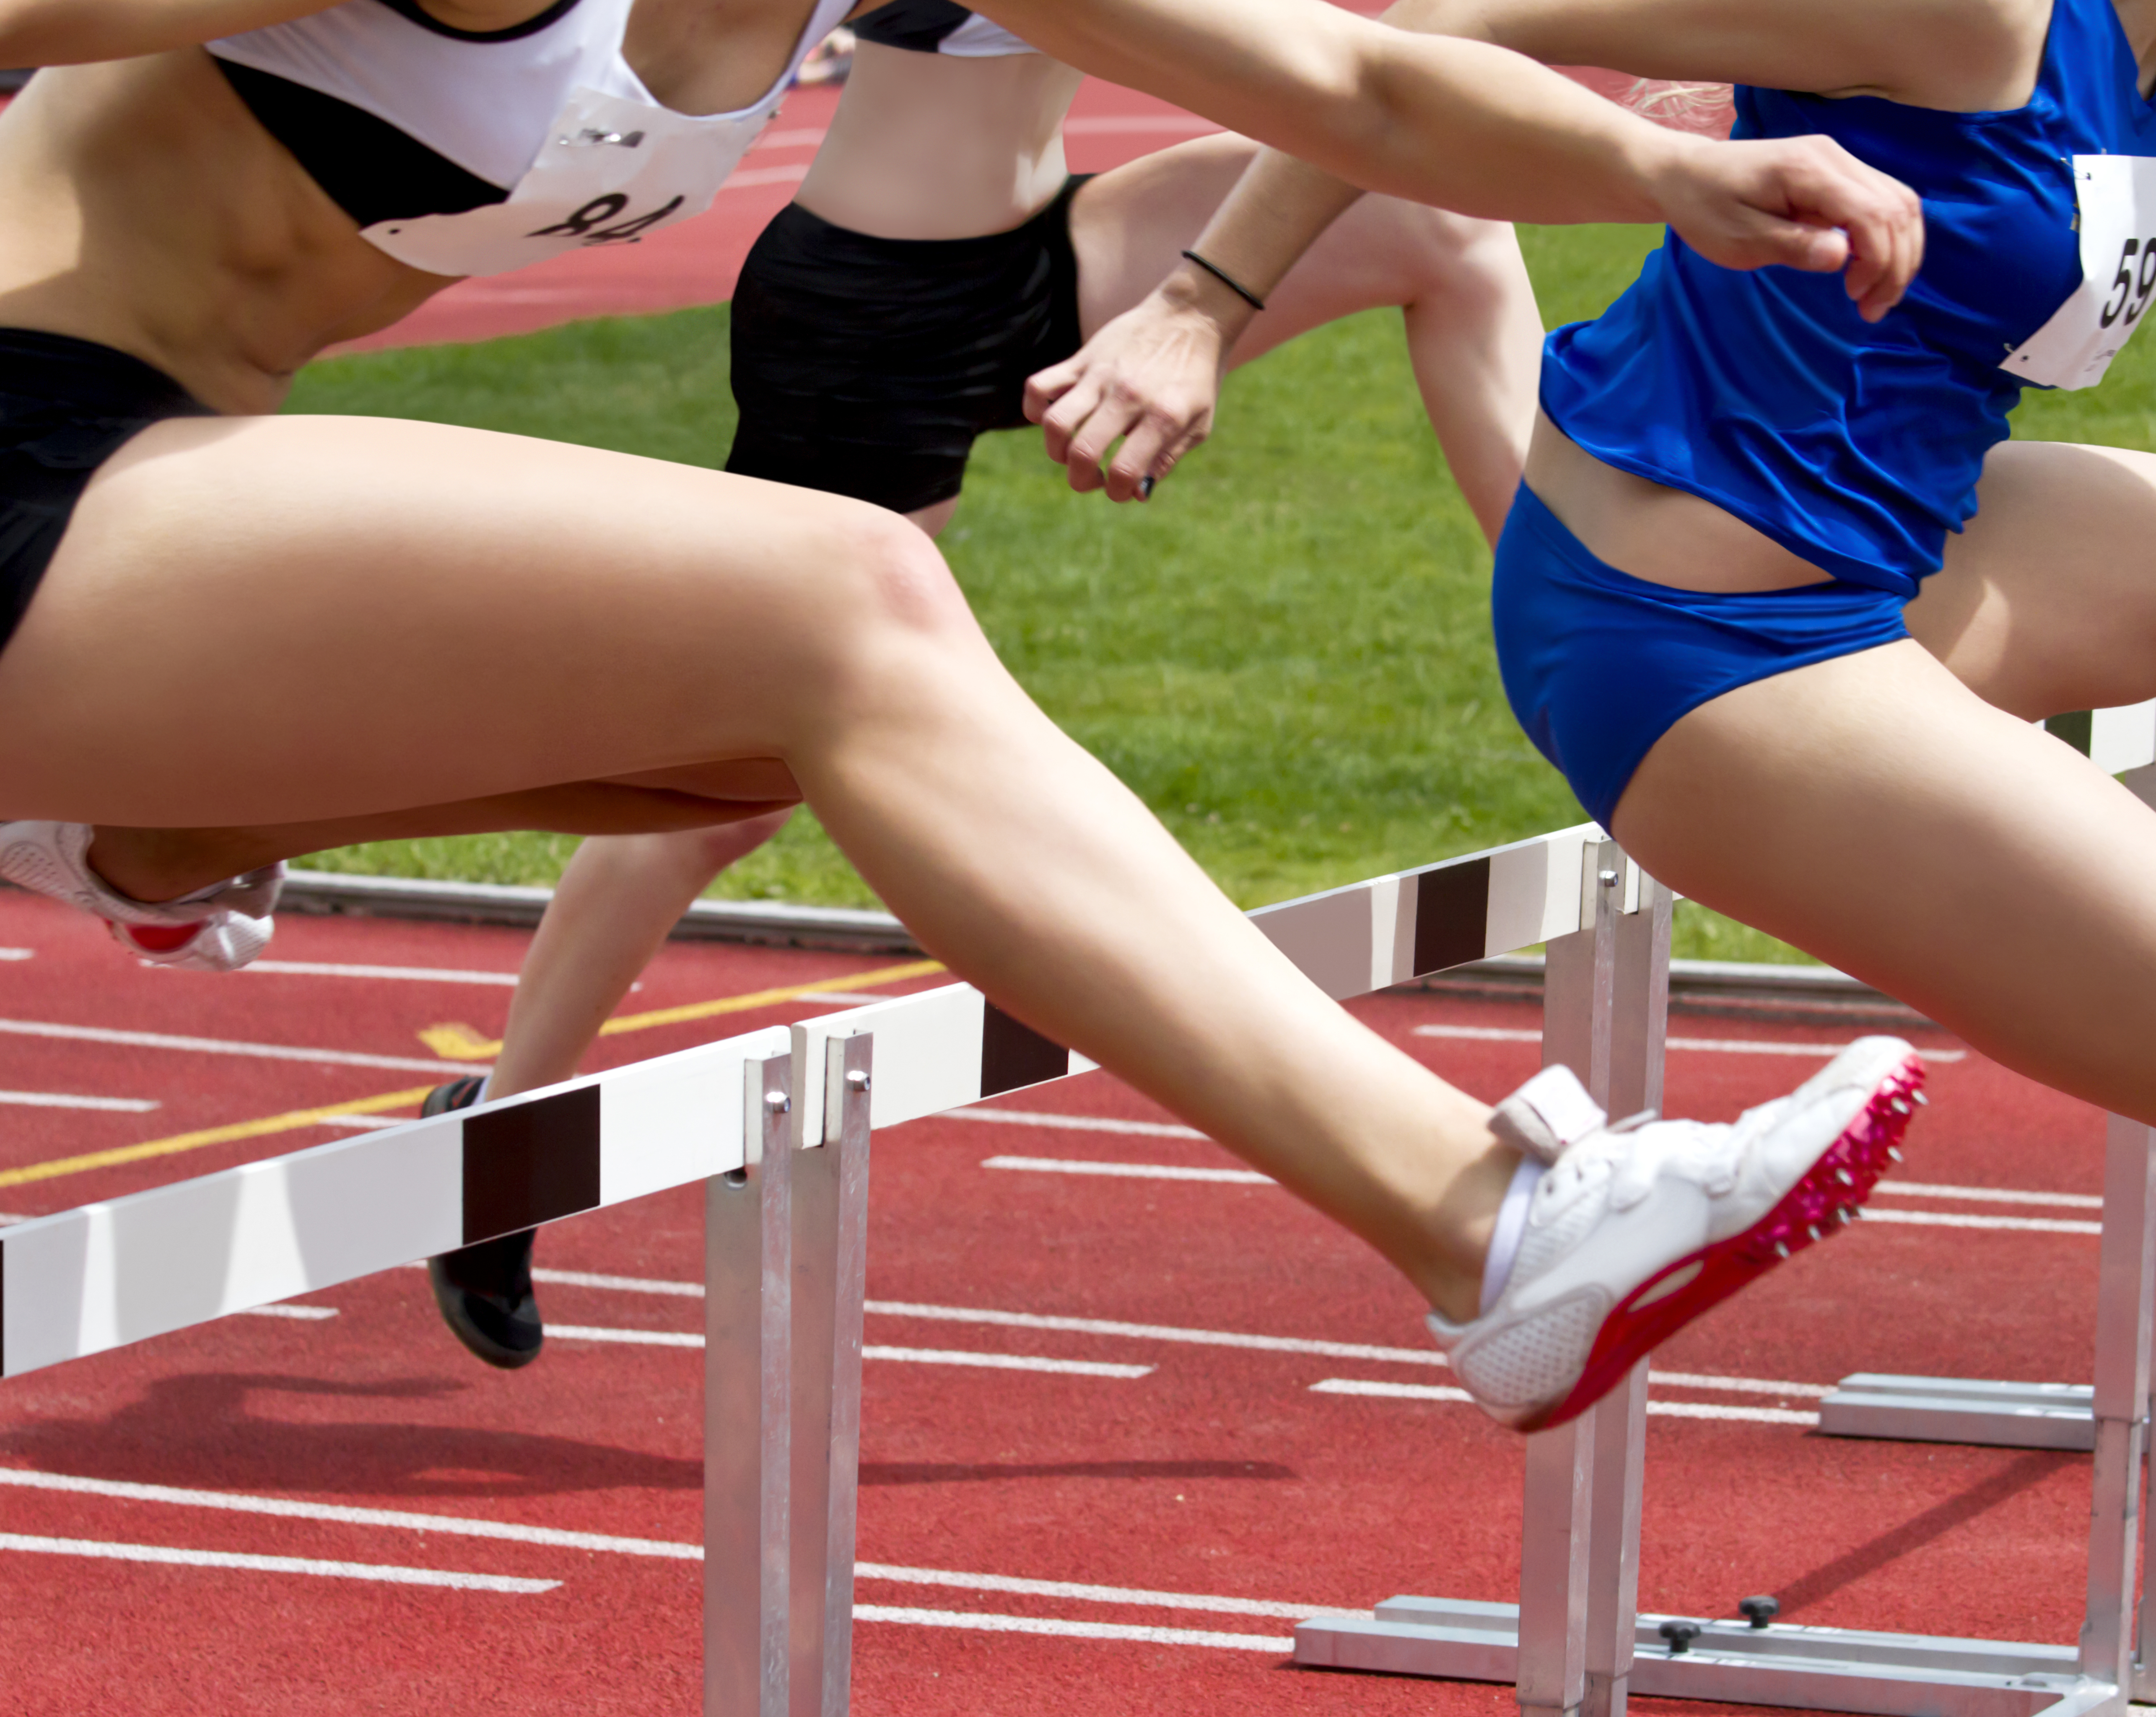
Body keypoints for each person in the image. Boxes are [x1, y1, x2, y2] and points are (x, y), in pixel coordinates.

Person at [0, 0, 1933, 1438]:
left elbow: (1351, 84)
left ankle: (140, 826)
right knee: (848, 594)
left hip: (129, 516)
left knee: (764, 751)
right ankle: (1492, 1224)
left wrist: (1668, 165)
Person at [1219, 0, 2156, 1566]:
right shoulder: (1966, 17)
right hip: (1684, 639)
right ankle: (1842, 771)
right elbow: (1442, 22)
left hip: (1869, 564)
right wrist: (1196, 307)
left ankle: (1894, 759)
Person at [415, 0, 1549, 1368]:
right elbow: (1315, 70)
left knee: (1445, 221)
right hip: (872, 315)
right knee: (729, 788)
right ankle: (503, 1137)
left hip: (1053, 247)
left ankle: (1577, 636)